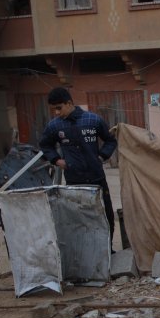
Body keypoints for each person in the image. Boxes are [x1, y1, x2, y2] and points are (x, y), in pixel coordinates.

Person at [38, 87, 118, 246]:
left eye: (59, 108)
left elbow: (110, 140)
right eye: (54, 109)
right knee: (79, 219)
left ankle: (107, 250)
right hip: (74, 181)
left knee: (105, 216)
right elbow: (45, 145)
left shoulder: (93, 120)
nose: (56, 112)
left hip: (97, 179)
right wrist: (57, 160)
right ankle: (87, 252)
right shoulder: (55, 126)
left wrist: (102, 156)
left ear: (69, 103)